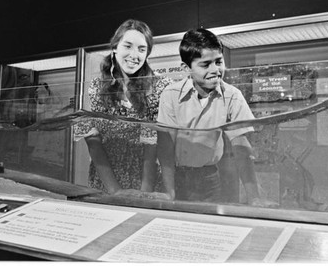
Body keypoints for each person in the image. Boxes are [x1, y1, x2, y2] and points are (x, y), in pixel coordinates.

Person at [156, 28, 265, 205]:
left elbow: (241, 147)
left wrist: (254, 197)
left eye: (219, 62)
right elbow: (165, 147)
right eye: (206, 64)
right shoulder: (170, 95)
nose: (215, 70)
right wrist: (169, 192)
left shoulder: (233, 95)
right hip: (176, 176)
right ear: (186, 68)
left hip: (211, 177)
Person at [74, 19, 172, 197]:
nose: (134, 55)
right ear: (115, 47)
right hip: (106, 178)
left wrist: (144, 193)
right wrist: (115, 190)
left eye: (142, 49)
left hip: (146, 177)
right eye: (128, 46)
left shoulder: (159, 86)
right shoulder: (96, 87)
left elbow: (153, 144)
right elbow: (93, 141)